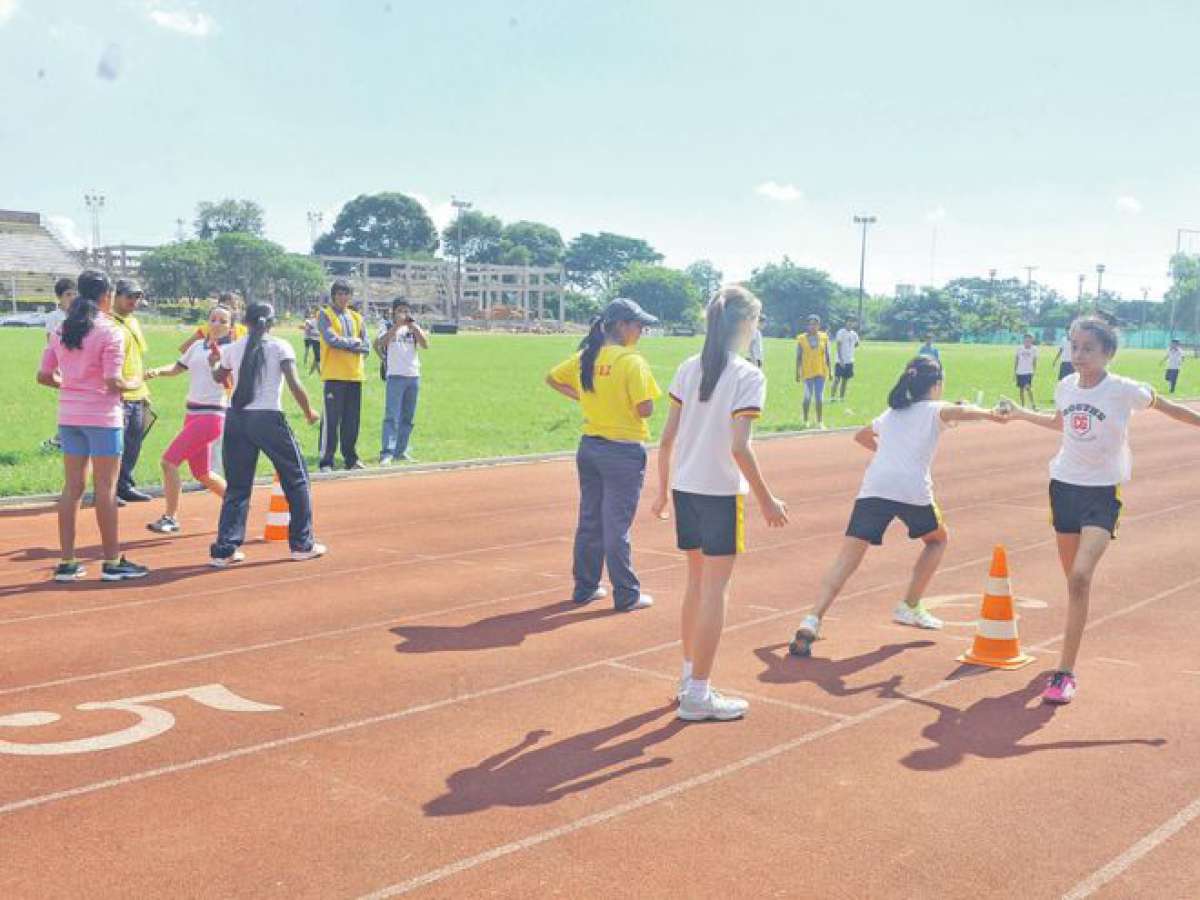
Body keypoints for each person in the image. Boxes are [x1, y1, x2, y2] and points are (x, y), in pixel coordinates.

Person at [1002, 317, 1200, 704]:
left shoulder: (1123, 390)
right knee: (1074, 582)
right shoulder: (1064, 386)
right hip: (1063, 488)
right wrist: (1020, 413)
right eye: (1074, 346)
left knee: (1078, 578)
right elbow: (1060, 424)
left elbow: (1169, 407)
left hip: (1101, 495)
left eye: (1088, 348)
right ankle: (1072, 639)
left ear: (1108, 353)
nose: (1078, 355)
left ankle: (1064, 673)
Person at [788, 356, 1007, 655]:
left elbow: (861, 435)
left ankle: (812, 619)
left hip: (876, 486)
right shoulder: (934, 410)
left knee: (847, 559)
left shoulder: (893, 412)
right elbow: (961, 411)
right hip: (911, 490)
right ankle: (910, 605)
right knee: (937, 540)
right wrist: (992, 413)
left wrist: (887, 453)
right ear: (936, 385)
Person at [652, 287, 789, 722]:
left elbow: (666, 438)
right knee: (714, 590)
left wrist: (661, 490)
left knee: (695, 586)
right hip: (719, 492)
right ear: (745, 323)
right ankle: (698, 693)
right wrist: (767, 499)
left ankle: (689, 676)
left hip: (686, 488)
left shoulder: (688, 367)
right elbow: (740, 447)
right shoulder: (748, 375)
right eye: (758, 318)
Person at [546, 298, 661, 612]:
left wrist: (585, 398)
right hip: (623, 450)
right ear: (622, 325)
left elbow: (552, 378)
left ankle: (585, 587)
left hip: (590, 447)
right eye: (638, 325)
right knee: (616, 525)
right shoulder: (631, 361)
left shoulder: (588, 356)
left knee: (590, 520)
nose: (642, 330)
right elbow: (645, 408)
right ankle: (626, 593)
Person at [36, 269, 149, 582]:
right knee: (106, 490)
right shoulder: (109, 330)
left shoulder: (61, 329)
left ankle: (67, 562)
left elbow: (44, 375)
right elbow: (114, 382)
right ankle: (112, 562)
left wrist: (71, 386)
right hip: (102, 418)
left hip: (69, 417)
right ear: (106, 296)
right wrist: (137, 379)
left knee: (72, 489)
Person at [209, 302, 326, 567]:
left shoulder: (233, 347)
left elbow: (220, 377)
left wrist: (214, 363)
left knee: (237, 487)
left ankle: (225, 549)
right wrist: (309, 411)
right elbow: (294, 383)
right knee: (296, 479)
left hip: (236, 417)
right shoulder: (280, 346)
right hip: (267, 417)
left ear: (245, 322)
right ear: (271, 323)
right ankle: (301, 544)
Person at [143, 305, 233, 534]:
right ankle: (238, 504)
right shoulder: (196, 346)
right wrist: (157, 371)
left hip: (212, 415)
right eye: (212, 318)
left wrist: (217, 362)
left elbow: (230, 382)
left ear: (230, 326)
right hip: (192, 414)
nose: (216, 323)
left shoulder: (230, 350)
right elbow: (177, 367)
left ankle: (170, 517)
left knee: (168, 462)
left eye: (222, 320)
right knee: (202, 474)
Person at [317, 280, 370, 472]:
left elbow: (367, 346)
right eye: (339, 294)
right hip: (334, 375)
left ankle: (351, 458)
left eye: (346, 294)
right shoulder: (325, 314)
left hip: (355, 375)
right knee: (331, 421)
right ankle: (326, 461)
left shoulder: (356, 317)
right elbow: (331, 340)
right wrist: (354, 343)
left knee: (351, 421)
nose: (343, 297)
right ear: (333, 296)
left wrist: (352, 344)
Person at [111, 279, 153, 504]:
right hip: (118, 393)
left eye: (137, 297)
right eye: (129, 296)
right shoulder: (108, 323)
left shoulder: (133, 323)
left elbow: (137, 357)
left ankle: (125, 484)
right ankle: (107, 489)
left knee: (134, 442)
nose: (134, 301)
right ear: (114, 296)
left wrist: (144, 390)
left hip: (137, 392)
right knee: (114, 446)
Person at [375, 297, 428, 464]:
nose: (403, 314)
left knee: (408, 417)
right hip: (395, 376)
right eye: (400, 310)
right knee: (391, 416)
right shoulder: (386, 325)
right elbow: (379, 343)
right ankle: (387, 452)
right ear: (393, 312)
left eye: (406, 310)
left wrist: (414, 327)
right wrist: (397, 326)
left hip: (413, 375)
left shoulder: (413, 327)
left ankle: (401, 450)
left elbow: (425, 344)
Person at [40, 277, 77, 451]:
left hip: (77, 366)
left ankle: (62, 438)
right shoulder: (54, 317)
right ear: (59, 297)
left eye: (74, 294)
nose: (72, 298)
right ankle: (60, 439)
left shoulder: (79, 315)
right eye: (68, 294)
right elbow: (51, 343)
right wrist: (56, 369)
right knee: (70, 402)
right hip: (62, 367)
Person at [795, 314, 832, 428]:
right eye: (810, 324)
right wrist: (797, 372)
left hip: (820, 371)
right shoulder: (801, 338)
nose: (813, 326)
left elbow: (827, 355)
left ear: (819, 325)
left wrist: (830, 371)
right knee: (807, 397)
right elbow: (798, 357)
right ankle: (806, 420)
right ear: (807, 325)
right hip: (807, 372)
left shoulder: (824, 337)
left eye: (815, 324)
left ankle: (820, 421)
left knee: (819, 397)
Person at [179, 292, 246, 354]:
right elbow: (184, 348)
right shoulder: (206, 329)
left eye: (234, 308)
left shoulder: (243, 330)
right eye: (227, 306)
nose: (231, 310)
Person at [832, 317, 861, 402]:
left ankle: (841, 398)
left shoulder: (854, 334)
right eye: (849, 322)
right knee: (837, 379)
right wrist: (840, 359)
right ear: (846, 322)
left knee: (845, 380)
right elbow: (838, 345)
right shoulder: (841, 332)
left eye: (852, 322)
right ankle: (832, 397)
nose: (850, 323)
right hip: (840, 360)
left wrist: (851, 348)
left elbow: (857, 343)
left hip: (850, 360)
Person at [1014, 333, 1039, 410]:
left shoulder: (1034, 349)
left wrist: (1034, 371)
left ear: (1032, 341)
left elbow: (1035, 360)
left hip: (1028, 372)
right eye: (1026, 340)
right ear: (1024, 340)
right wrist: (1015, 371)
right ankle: (1023, 405)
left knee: (1028, 388)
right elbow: (1017, 360)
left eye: (1029, 340)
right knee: (1021, 389)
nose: (1027, 342)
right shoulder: (1019, 348)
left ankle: (1033, 404)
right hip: (1020, 372)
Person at [302, 308, 321, 374]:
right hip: (315, 341)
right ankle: (321, 375)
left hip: (322, 341)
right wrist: (316, 333)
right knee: (318, 359)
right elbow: (307, 331)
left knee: (316, 359)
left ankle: (310, 373)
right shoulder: (312, 321)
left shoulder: (323, 321)